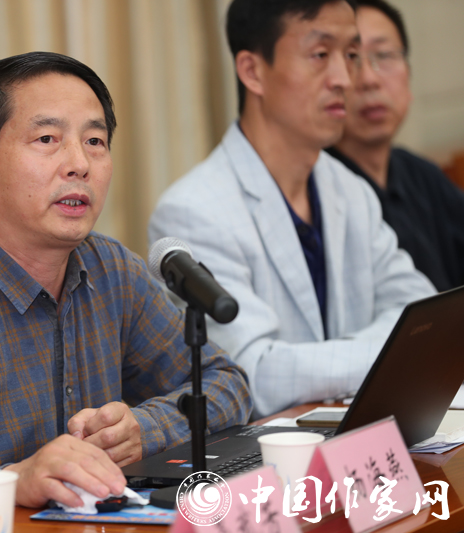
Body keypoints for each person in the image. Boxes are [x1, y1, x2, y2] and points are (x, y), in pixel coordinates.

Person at [0, 51, 252, 532]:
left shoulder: (111, 271)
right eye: (47, 139)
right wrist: (12, 482)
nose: (79, 164)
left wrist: (145, 429)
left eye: (95, 141)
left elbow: (227, 383)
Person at [148, 0, 435, 418]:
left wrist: (324, 363)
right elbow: (251, 371)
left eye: (350, 55)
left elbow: (421, 315)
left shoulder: (350, 189)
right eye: (320, 54)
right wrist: (388, 350)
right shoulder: (193, 210)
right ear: (252, 71)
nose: (344, 79)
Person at [326, 0, 464, 292]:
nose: (369, 79)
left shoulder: (423, 175)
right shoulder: (319, 191)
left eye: (384, 55)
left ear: (409, 75)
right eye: (352, 58)